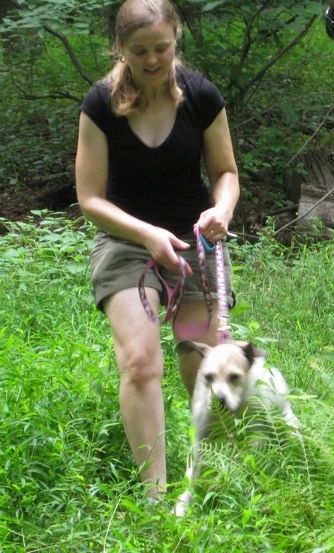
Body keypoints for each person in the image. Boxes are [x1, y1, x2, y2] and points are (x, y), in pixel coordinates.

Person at [75, 0, 240, 499]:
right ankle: (155, 499)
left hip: (195, 242)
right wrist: (146, 232)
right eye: (139, 51)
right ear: (120, 49)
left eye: (162, 48)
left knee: (204, 365)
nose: (152, 60)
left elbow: (226, 174)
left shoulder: (202, 95)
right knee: (141, 362)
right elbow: (90, 200)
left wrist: (222, 212)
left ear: (177, 38)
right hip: (127, 246)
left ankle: (207, 481)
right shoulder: (100, 104)